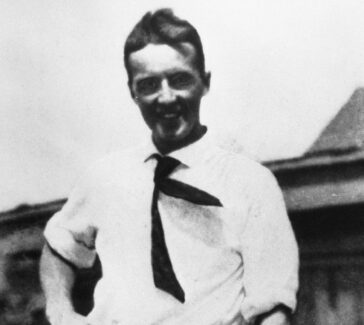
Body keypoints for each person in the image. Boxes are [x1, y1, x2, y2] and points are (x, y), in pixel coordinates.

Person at [40, 8, 299, 325]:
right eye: (149, 85)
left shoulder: (250, 182)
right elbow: (60, 246)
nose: (165, 98)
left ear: (204, 83)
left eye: (179, 80)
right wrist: (60, 311)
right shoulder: (105, 178)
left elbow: (273, 307)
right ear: (133, 92)